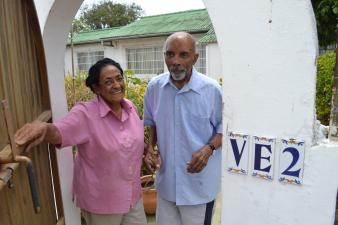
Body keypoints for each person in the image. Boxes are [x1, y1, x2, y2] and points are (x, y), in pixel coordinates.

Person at [15, 58, 147, 225]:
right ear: (96, 88)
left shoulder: (130, 107)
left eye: (119, 78)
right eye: (108, 81)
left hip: (132, 197)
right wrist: (44, 128)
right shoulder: (85, 113)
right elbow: (60, 131)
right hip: (102, 202)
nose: (116, 85)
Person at [143, 32, 222, 225]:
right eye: (170, 54)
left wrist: (208, 149)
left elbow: (223, 130)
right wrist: (150, 149)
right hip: (167, 185)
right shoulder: (155, 87)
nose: (175, 61)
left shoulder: (211, 90)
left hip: (199, 187)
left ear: (195, 58)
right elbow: (152, 122)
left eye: (183, 55)